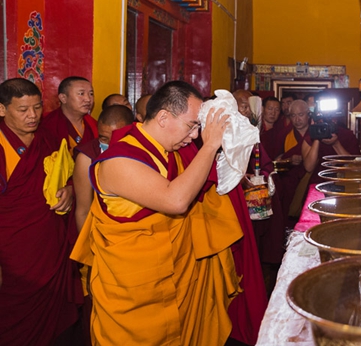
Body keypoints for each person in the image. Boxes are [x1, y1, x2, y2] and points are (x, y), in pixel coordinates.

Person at [71, 81, 249, 345]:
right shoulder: (119, 160)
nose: (195, 135)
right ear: (163, 117)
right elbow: (176, 200)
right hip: (133, 293)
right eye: (192, 125)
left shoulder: (170, 153)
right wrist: (210, 146)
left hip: (176, 280)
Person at [0, 78, 81, 346]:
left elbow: (68, 175)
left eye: (37, 108)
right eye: (23, 110)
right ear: (2, 109)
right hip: (12, 250)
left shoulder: (49, 139)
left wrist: (70, 190)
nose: (33, 115)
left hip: (50, 245)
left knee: (55, 323)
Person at [72, 105, 134, 232]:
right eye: (104, 138)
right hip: (103, 232)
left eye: (117, 138)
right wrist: (87, 242)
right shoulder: (88, 158)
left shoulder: (141, 153)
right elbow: (83, 211)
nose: (110, 145)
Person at [41, 76, 98, 153]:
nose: (88, 99)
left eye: (91, 94)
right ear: (63, 98)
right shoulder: (48, 124)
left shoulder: (94, 124)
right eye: (81, 94)